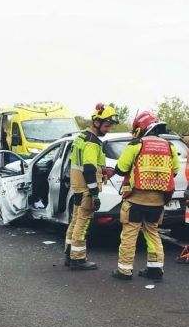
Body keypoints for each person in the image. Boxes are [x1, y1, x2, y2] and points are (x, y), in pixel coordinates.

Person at [111, 111, 180, 281]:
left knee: (130, 234)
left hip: (135, 198)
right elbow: (175, 171)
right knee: (153, 233)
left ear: (141, 127)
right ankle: (155, 270)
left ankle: (124, 271)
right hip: (157, 201)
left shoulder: (136, 144)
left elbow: (120, 168)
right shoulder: (170, 146)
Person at [64, 103, 119, 270]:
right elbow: (88, 168)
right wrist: (95, 193)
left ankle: (69, 253)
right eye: (107, 125)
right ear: (96, 122)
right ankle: (78, 258)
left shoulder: (81, 137)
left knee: (75, 221)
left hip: (78, 187)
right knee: (83, 222)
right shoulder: (92, 142)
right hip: (87, 189)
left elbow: (81, 165)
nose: (108, 129)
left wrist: (103, 170)